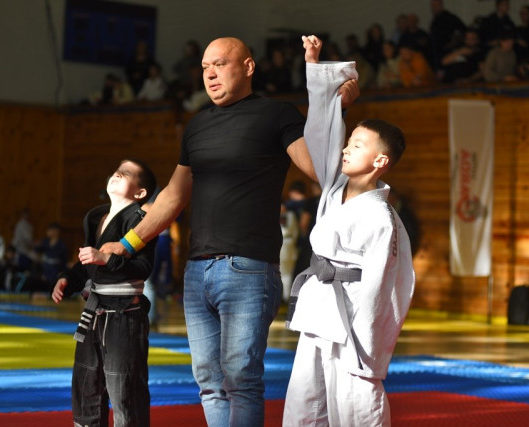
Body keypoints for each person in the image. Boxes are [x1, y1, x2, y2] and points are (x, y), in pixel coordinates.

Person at [96, 36, 359, 426]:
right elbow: (173, 196)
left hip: (248, 270)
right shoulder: (197, 125)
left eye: (220, 64)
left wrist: (335, 108)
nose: (210, 74)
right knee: (209, 383)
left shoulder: (276, 114)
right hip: (196, 271)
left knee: (241, 381)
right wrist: (127, 242)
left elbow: (319, 169)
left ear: (248, 67)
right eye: (205, 67)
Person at [283, 35, 415, 426]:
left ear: (380, 160)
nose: (345, 149)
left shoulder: (382, 219)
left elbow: (385, 287)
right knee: (305, 405)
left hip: (353, 323)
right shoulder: (333, 186)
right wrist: (317, 72)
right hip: (318, 310)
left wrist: (369, 346)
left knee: (355, 406)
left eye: (356, 145)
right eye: (349, 142)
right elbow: (322, 138)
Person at [51, 158, 157, 426]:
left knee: (124, 387)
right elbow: (86, 263)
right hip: (93, 312)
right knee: (85, 383)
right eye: (116, 171)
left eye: (126, 173)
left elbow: (143, 268)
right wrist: (67, 280)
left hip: (125, 313)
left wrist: (107, 259)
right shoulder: (95, 217)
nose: (117, 175)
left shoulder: (142, 221)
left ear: (140, 193)